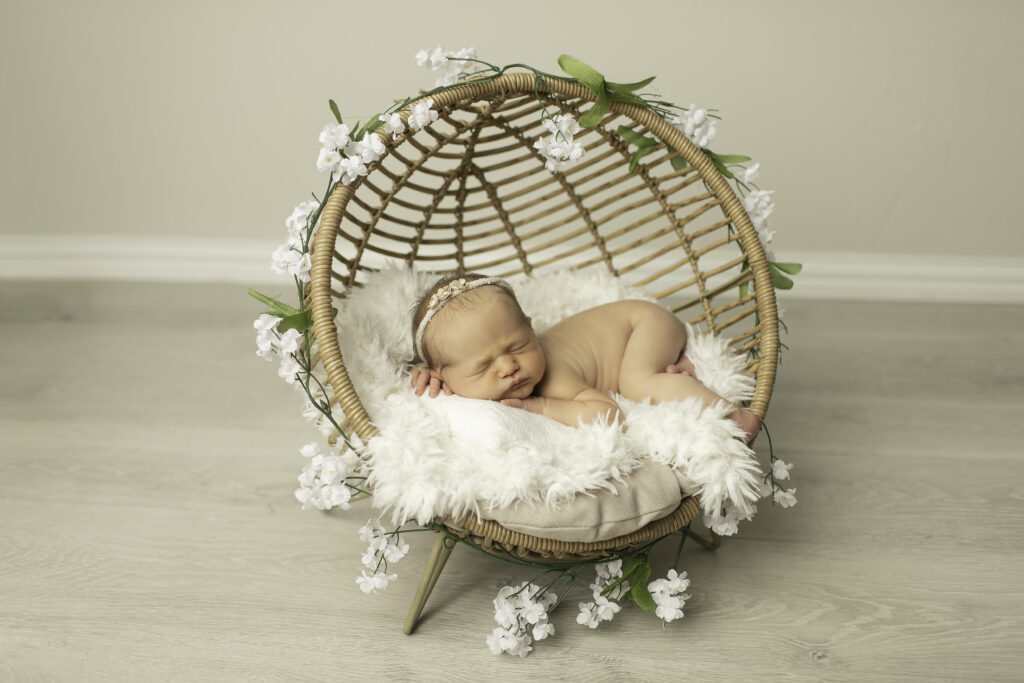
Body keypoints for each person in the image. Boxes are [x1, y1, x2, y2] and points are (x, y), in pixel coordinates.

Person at [408, 272, 760, 443]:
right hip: (633, 331)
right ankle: (677, 370)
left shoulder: (554, 378)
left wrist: (540, 407)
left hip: (643, 324)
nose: (508, 366)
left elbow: (610, 415)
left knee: (635, 382)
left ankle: (733, 414)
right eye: (483, 366)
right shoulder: (449, 371)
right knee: (641, 374)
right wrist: (432, 377)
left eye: (517, 346)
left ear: (530, 328)